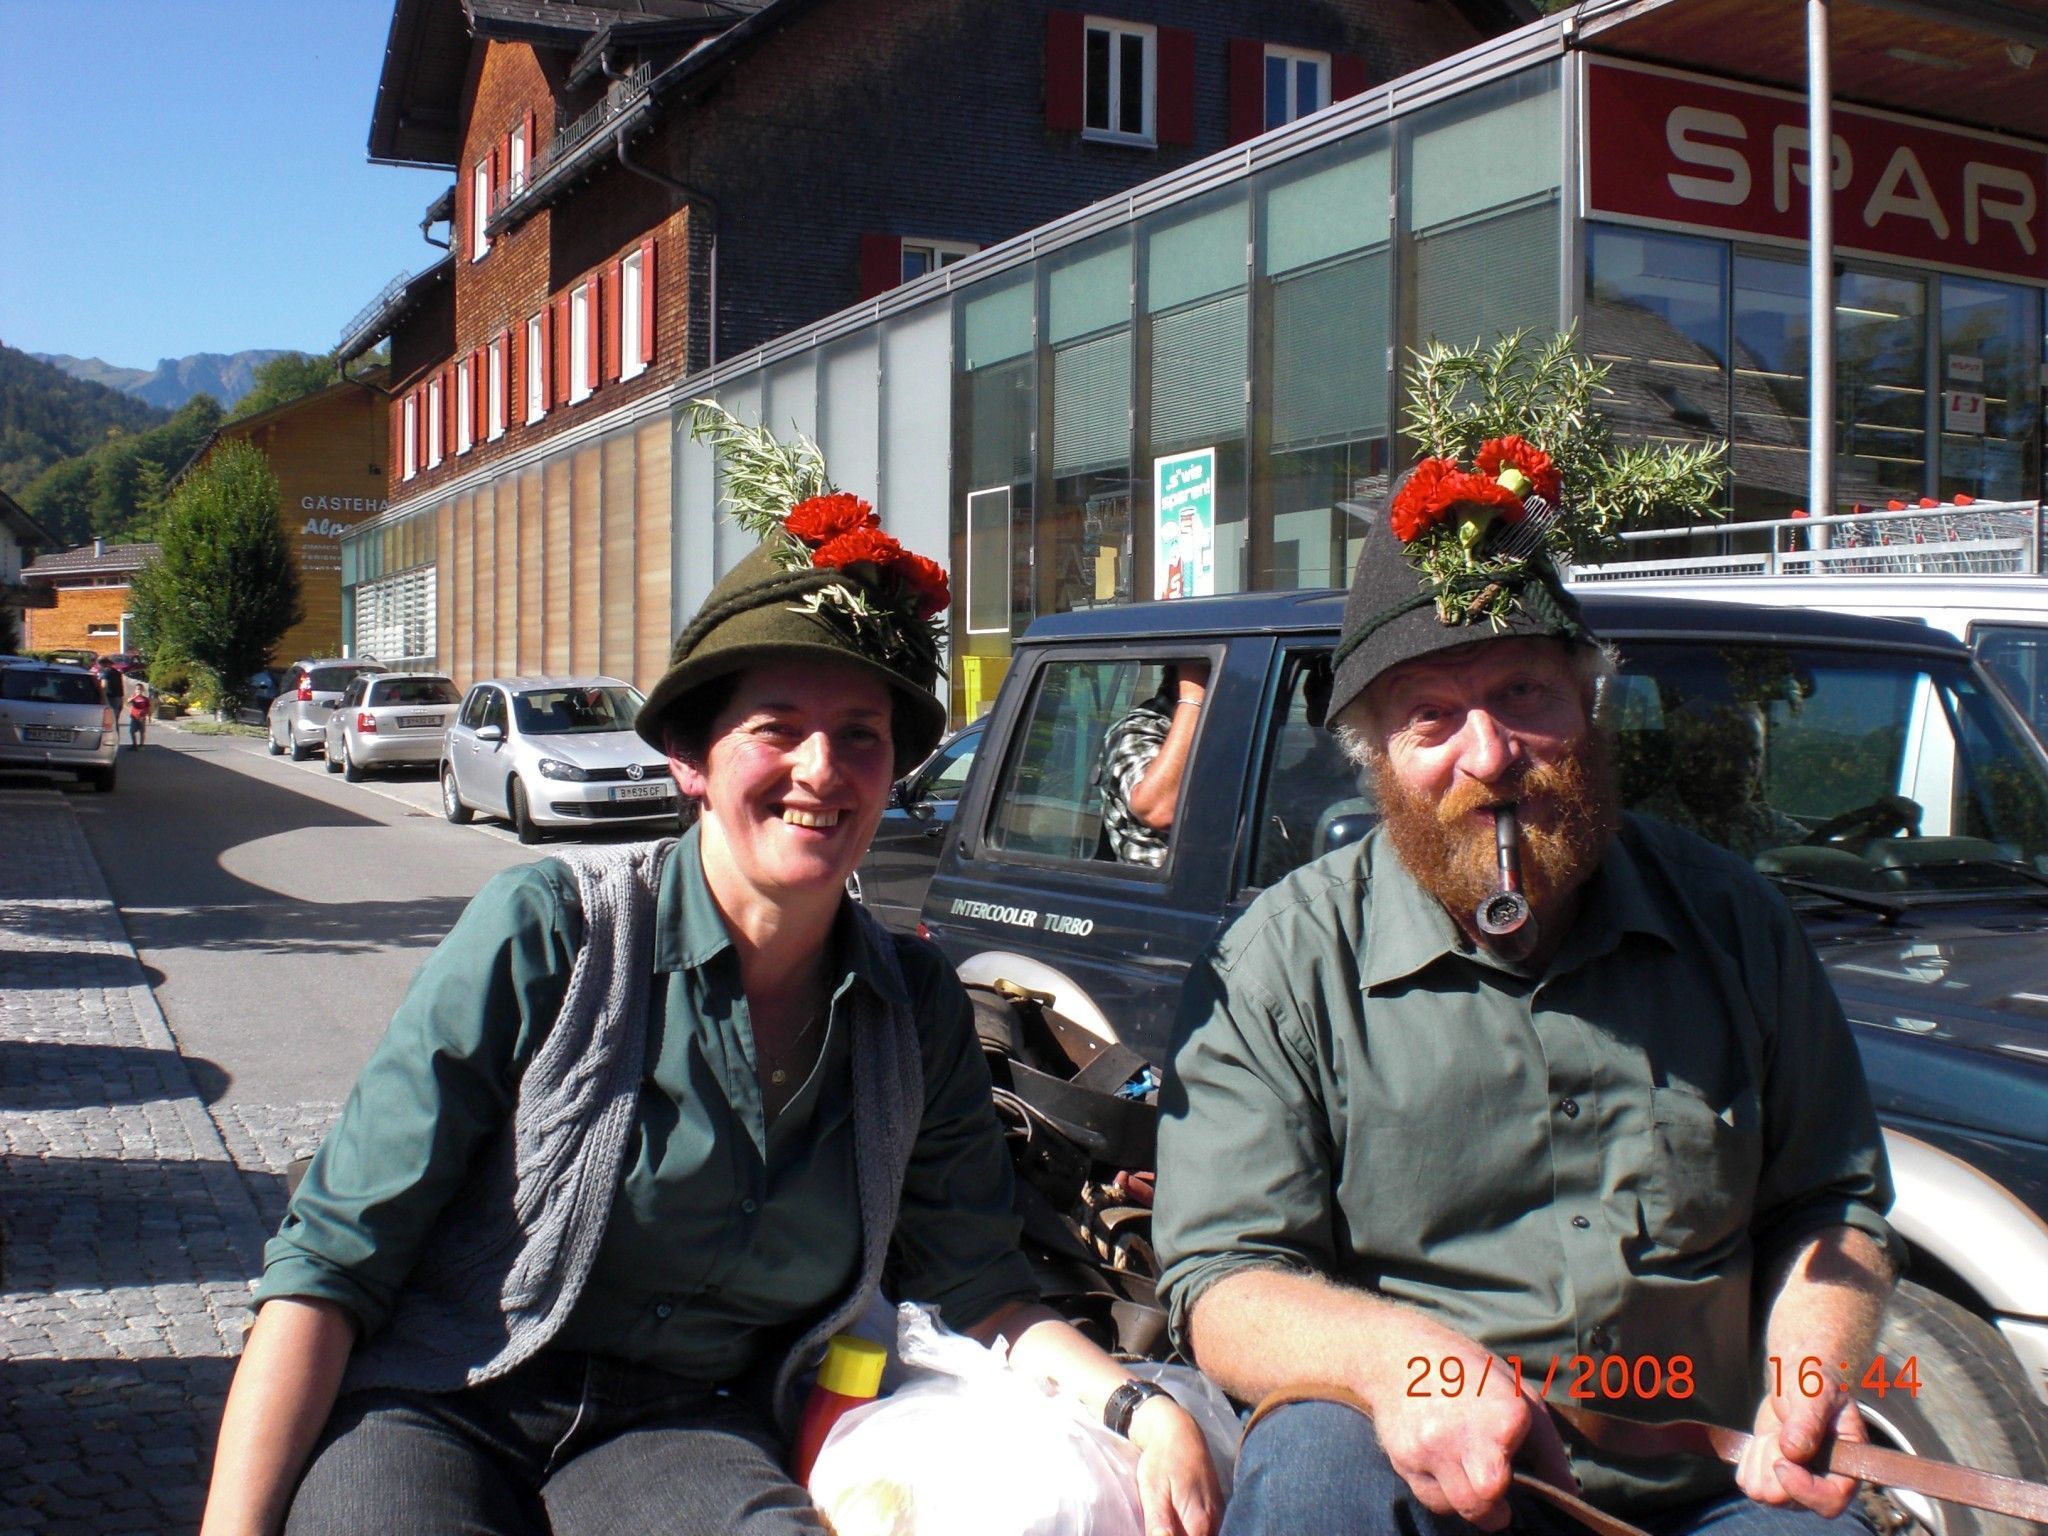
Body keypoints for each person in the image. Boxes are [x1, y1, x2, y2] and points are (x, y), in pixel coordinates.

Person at [201, 462, 1220, 1536]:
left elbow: (983, 1287)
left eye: (860, 735)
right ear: (691, 758)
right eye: (775, 726)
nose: (821, 769)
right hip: (441, 1398)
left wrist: (1136, 1407)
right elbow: (327, 1267)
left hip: (677, 1430)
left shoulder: (909, 1004)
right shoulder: (550, 929)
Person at [1155, 441, 1899, 1536]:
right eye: (1430, 718)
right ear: (1376, 757)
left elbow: (1830, 1204)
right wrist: (1403, 1362)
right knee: (1314, 1467)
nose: (1489, 755)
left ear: (1588, 705)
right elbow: (1219, 1280)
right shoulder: (1284, 960)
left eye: (1521, 694)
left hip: (1698, 1492)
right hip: (1419, 1474)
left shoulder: (1731, 921)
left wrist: (1808, 1370)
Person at [1101, 661, 1209, 865]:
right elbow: (1158, 810)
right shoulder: (1137, 729)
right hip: (1160, 888)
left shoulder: (1223, 734)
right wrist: (1195, 699)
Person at [126, 680, 151, 748]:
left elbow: (148, 708)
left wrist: (149, 716)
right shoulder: (133, 697)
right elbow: (128, 701)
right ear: (135, 690)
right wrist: (136, 696)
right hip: (134, 717)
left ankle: (141, 744)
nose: (139, 690)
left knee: (142, 732)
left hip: (142, 717)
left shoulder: (145, 699)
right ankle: (134, 744)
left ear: (143, 690)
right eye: (137, 689)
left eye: (140, 689)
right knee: (132, 731)